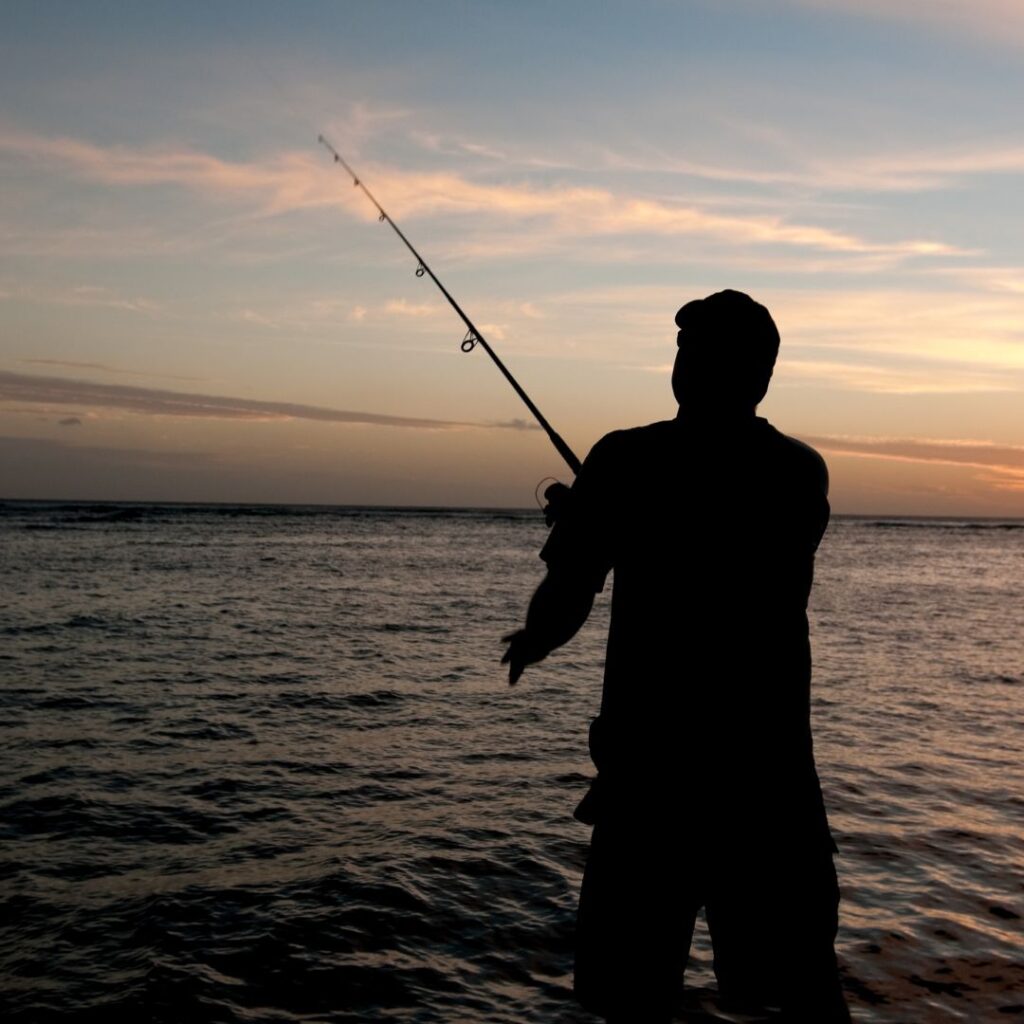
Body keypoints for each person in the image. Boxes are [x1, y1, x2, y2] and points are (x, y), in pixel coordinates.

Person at [501, 290, 851, 1023]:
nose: (684, 363)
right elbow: (729, 546)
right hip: (770, 780)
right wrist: (602, 516)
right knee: (797, 995)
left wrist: (534, 636)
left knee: (629, 997)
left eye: (693, 351)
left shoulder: (626, 460)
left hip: (651, 785)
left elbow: (570, 592)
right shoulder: (800, 472)